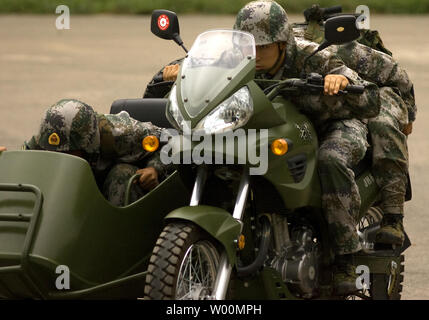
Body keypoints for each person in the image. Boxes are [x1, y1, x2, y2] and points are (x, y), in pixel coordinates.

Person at [147, 0, 381, 295]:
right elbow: (197, 73)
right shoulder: (233, 55)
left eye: (264, 47)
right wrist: (178, 71)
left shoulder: (312, 56)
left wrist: (340, 80)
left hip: (333, 121)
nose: (254, 54)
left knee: (330, 159)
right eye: (249, 47)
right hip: (276, 121)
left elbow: (371, 99)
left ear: (282, 44)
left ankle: (345, 258)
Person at [292, 24, 416, 245]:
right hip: (340, 100)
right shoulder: (278, 56)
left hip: (379, 92)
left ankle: (393, 217)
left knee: (382, 126)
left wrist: (409, 116)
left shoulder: (346, 52)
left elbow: (399, 77)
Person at [21, 99, 169, 206]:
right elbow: (25, 164)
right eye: (53, 153)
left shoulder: (123, 133)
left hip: (112, 189)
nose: (61, 157)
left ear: (89, 143)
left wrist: (154, 168)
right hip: (75, 191)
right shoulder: (43, 141)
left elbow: (174, 142)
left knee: (122, 173)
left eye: (70, 151)